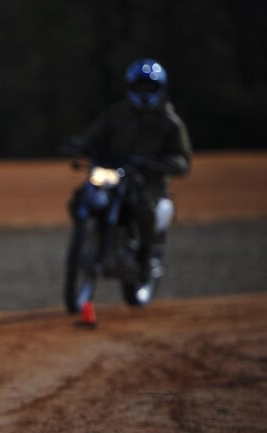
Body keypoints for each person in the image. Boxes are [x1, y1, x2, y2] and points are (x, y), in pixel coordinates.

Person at [67, 58, 192, 281]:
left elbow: (182, 160)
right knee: (82, 197)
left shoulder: (169, 122)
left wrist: (160, 164)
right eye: (140, 87)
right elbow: (93, 137)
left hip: (149, 182)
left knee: (143, 209)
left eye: (149, 87)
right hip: (116, 173)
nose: (144, 92)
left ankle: (144, 258)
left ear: (160, 89)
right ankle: (92, 240)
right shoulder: (117, 114)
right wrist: (80, 145)